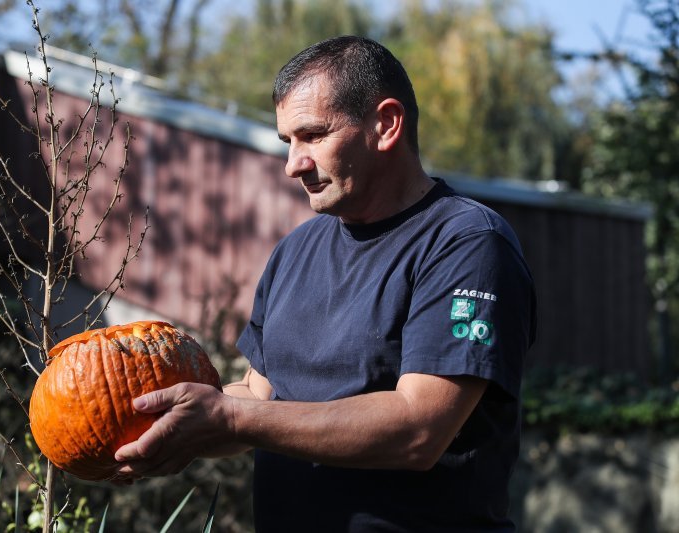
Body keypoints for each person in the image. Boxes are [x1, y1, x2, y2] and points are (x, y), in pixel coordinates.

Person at [114, 35, 537, 532]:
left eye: (312, 135)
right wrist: (163, 422)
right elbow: (257, 397)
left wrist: (228, 419)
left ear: (386, 125)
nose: (293, 164)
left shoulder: (466, 244)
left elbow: (420, 428)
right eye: (287, 142)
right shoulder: (295, 251)